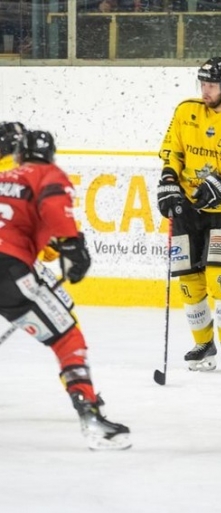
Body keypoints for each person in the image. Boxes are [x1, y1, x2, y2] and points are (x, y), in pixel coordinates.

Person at [0, 130, 131, 450]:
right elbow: (55, 205)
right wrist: (73, 246)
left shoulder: (4, 176)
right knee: (67, 337)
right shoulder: (48, 173)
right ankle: (91, 416)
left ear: (18, 155)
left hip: (12, 261)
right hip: (8, 267)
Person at [157, 56, 221, 372]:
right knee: (189, 281)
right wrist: (167, 181)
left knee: (220, 275)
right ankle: (203, 342)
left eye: (212, 85)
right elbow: (172, 152)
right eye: (203, 83)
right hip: (187, 209)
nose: (205, 90)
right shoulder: (185, 111)